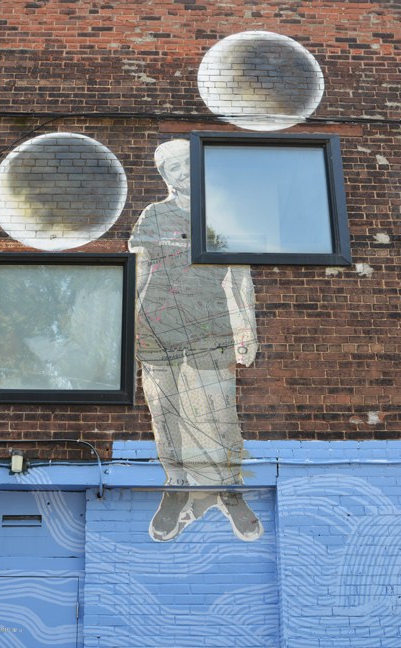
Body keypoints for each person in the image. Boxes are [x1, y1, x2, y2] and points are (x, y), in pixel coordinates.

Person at [129, 139, 263, 543]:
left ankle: (230, 490)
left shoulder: (223, 215)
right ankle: (176, 486)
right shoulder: (154, 215)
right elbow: (139, 271)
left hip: (211, 327)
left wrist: (247, 329)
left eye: (188, 164)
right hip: (156, 327)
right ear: (164, 176)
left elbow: (239, 277)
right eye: (174, 168)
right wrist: (126, 327)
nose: (183, 172)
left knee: (221, 412)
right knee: (163, 411)